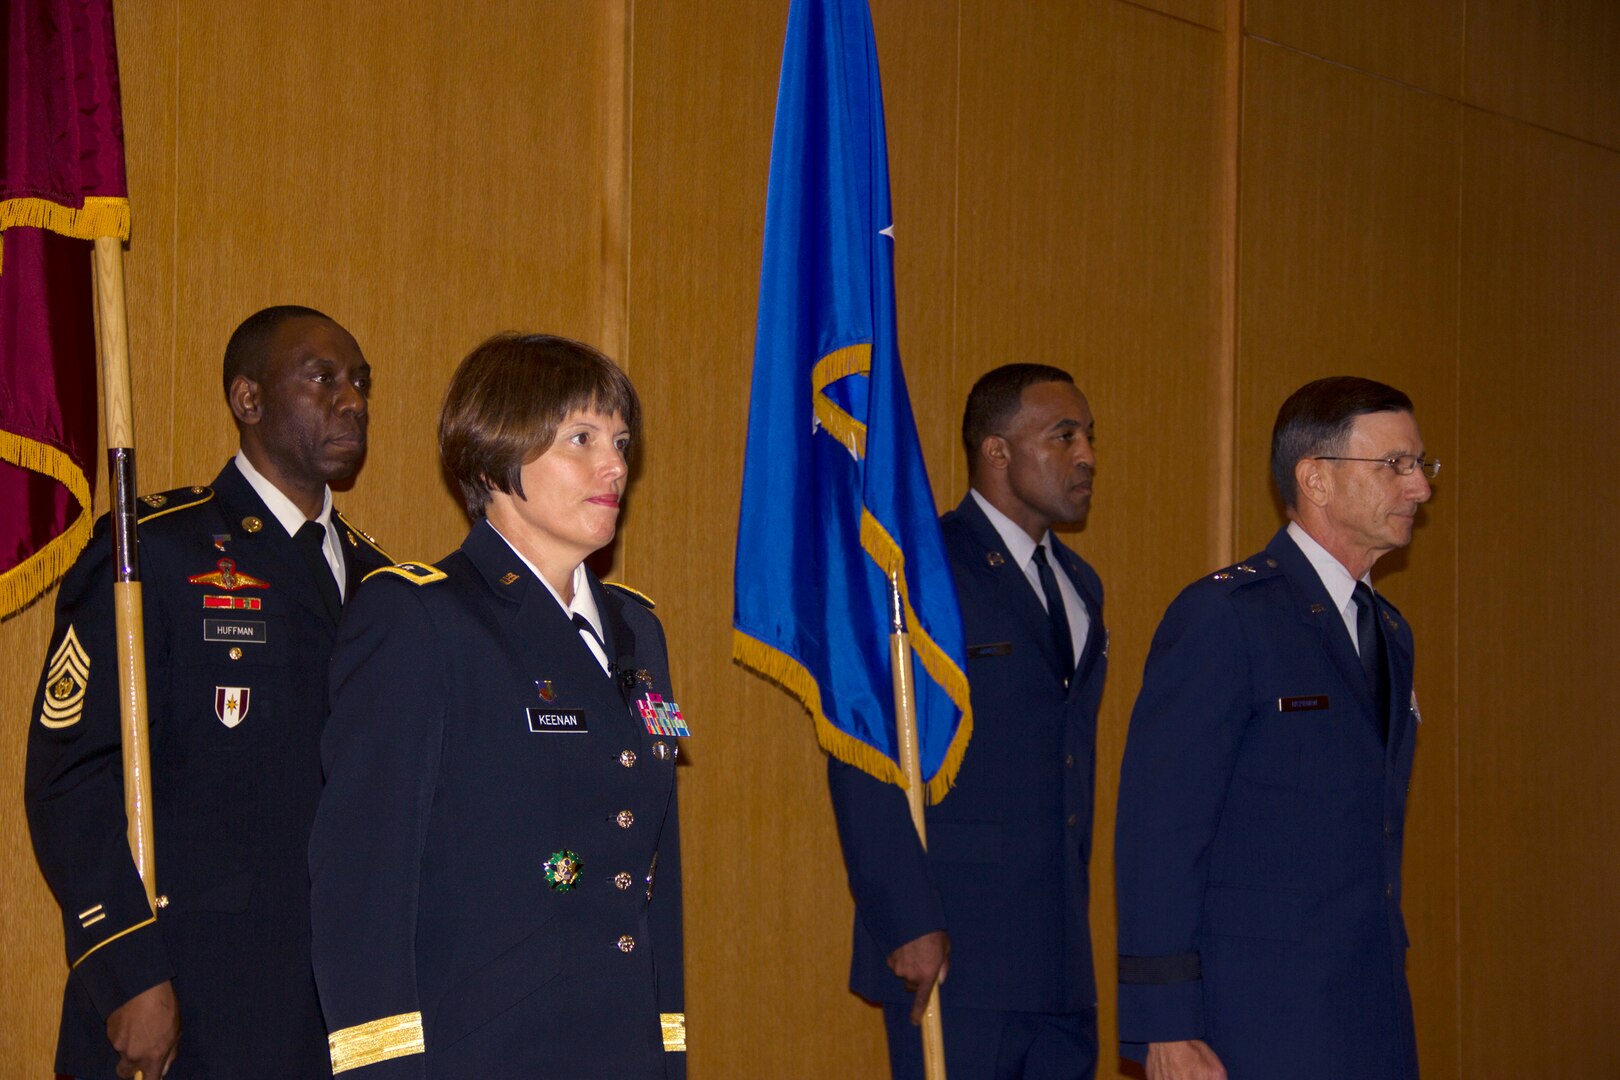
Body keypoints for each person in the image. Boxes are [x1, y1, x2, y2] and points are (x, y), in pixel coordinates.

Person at [25, 305, 390, 1079]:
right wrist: (124, 969)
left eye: (360, 382)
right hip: (193, 997)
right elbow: (71, 778)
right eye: (322, 377)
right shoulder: (153, 551)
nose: (352, 399)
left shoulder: (383, 584)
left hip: (339, 1008)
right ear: (247, 400)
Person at [308, 333, 686, 1078]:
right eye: (580, 439)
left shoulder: (637, 629)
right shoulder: (419, 620)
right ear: (494, 454)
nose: (613, 464)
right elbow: (362, 890)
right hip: (481, 1051)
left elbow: (650, 872)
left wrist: (668, 1046)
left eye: (618, 440)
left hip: (622, 1048)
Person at [1114, 376, 1438, 1080]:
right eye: (1396, 465)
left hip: (1370, 1001)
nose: (1419, 489)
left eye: (1421, 466)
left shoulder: (1388, 631)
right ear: (1315, 479)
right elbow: (1161, 831)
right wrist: (1164, 1023)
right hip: (1256, 1016)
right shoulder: (1227, 617)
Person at [828, 364, 1106, 1079]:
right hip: (955, 949)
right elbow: (864, 750)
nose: (1086, 457)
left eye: (1089, 437)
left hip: (1059, 955)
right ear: (997, 451)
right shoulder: (919, 572)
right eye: (1063, 436)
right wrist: (907, 917)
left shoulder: (1079, 586)